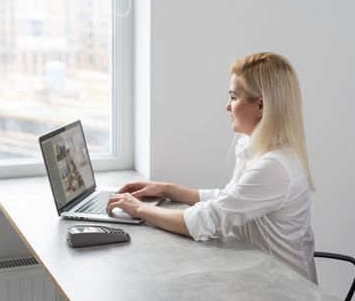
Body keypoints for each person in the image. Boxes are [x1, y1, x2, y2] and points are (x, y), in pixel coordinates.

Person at [107, 52, 317, 283]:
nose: (227, 106)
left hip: (286, 293)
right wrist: (167, 189)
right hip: (262, 275)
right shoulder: (255, 148)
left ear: (261, 105)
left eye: (234, 97)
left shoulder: (275, 167)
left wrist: (139, 210)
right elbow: (231, 198)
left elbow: (205, 221)